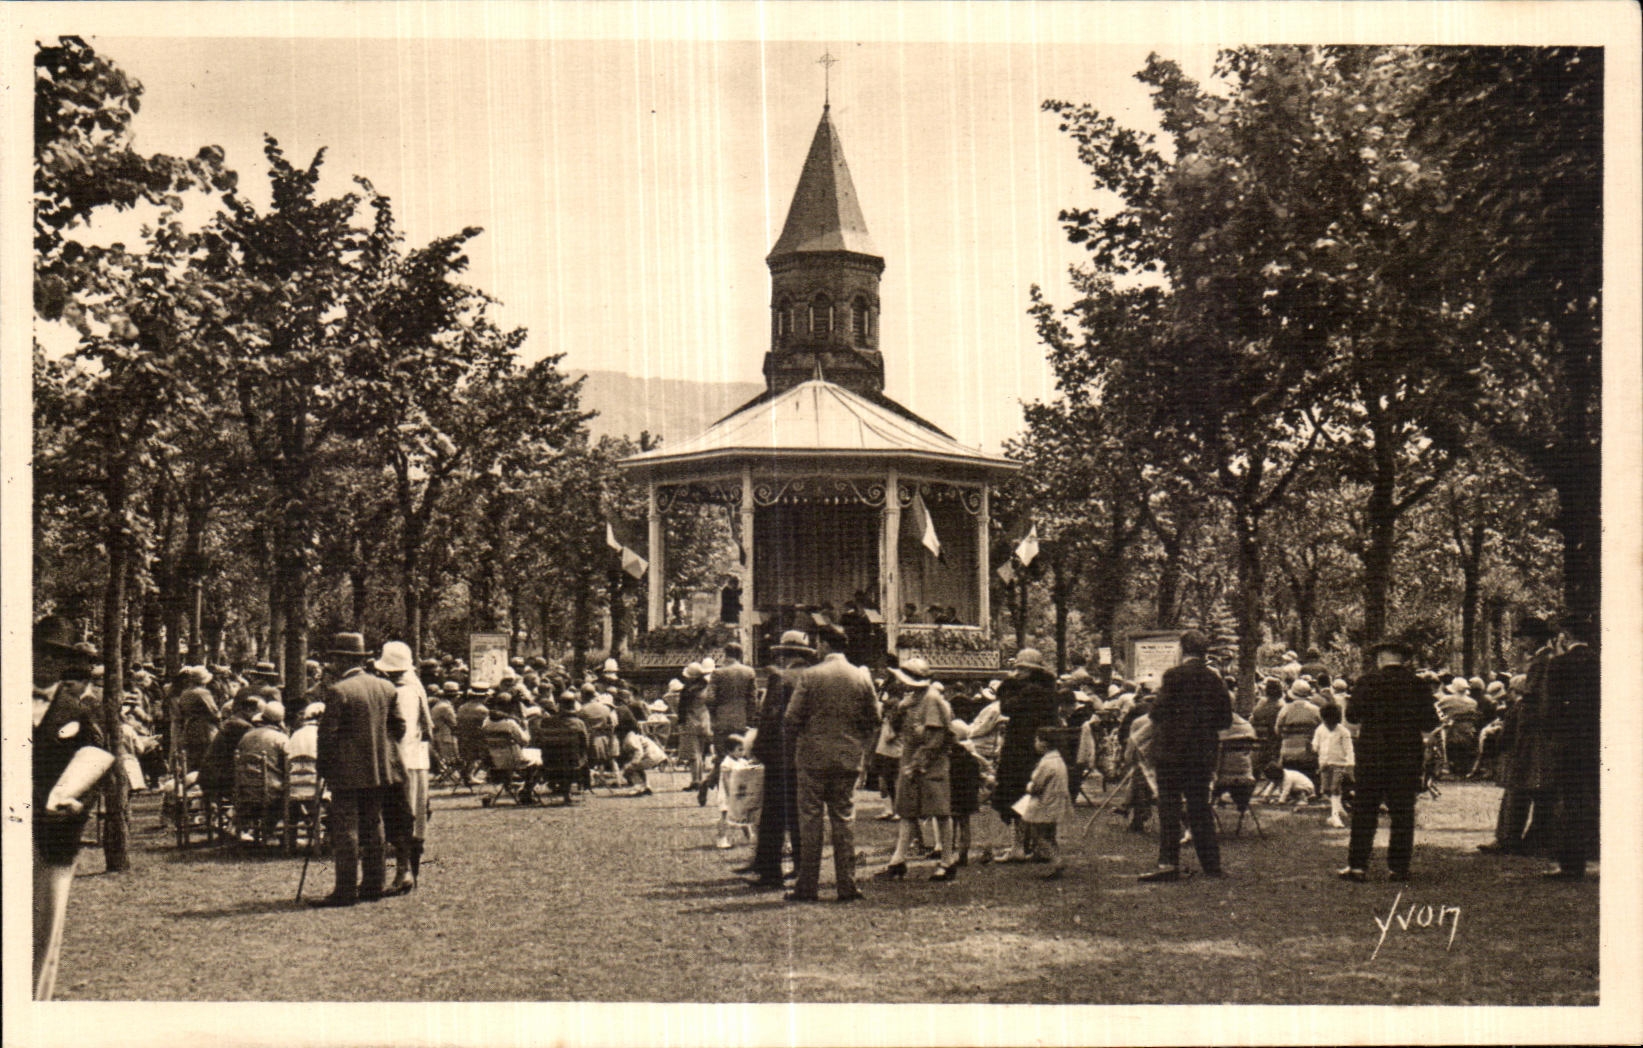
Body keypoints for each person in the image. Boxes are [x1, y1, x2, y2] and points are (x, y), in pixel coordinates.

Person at [32, 616, 115, 1000]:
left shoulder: (77, 713)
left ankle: (36, 1006)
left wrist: (75, 802)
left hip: (52, 835)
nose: (45, 662)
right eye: (40, 652)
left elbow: (97, 766)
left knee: (44, 930)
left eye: (56, 656)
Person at [783, 624, 878, 903]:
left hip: (812, 757)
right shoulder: (861, 676)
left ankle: (807, 886)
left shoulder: (811, 675)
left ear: (824, 644)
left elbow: (791, 717)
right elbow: (873, 718)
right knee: (844, 820)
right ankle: (847, 885)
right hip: (848, 757)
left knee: (810, 821)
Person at [311, 633, 406, 908]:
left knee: (347, 829)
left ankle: (345, 890)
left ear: (343, 660)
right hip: (380, 771)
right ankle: (373, 885)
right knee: (374, 825)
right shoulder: (386, 687)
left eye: (334, 659)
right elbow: (399, 728)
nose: (331, 665)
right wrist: (379, 750)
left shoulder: (339, 691)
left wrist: (325, 768)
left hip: (347, 773)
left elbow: (326, 737)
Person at [1338, 639, 1440, 883]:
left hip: (1372, 753)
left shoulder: (1367, 682)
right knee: (1403, 812)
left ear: (1381, 658)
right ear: (1404, 659)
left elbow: (1351, 717)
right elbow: (1430, 723)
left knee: (1365, 810)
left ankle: (1357, 865)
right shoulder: (1418, 685)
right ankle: (1398, 867)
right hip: (1406, 755)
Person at [1139, 630, 1231, 882]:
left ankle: (1168, 863)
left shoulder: (1173, 676)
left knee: (1169, 807)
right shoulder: (1214, 680)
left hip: (1171, 754)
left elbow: (1156, 712)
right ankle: (1211, 865)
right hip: (1201, 754)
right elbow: (1225, 720)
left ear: (1182, 649)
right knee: (1200, 807)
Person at [876, 663, 960, 883]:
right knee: (906, 810)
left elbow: (937, 737)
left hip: (930, 762)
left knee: (940, 811)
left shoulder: (931, 699)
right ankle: (897, 861)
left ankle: (947, 861)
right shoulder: (912, 698)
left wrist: (919, 760)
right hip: (910, 758)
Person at [742, 630, 813, 890]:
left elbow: (770, 720)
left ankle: (769, 871)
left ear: (783, 654)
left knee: (773, 815)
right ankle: (802, 866)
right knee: (800, 814)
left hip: (779, 756)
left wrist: (759, 749)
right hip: (805, 755)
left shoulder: (780, 679)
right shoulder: (811, 677)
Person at [988, 648, 1060, 863]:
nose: (1018, 672)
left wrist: (1009, 685)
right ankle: (1039, 846)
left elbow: (1007, 708)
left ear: (1033, 671)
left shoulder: (1027, 692)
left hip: (1022, 749)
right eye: (1017, 668)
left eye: (1023, 668)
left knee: (1017, 795)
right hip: (1041, 747)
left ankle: (1019, 846)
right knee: (1038, 797)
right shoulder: (1049, 690)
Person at [1542, 615, 1600, 880]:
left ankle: (1572, 863)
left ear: (1566, 636)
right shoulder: (1600, 662)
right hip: (1598, 738)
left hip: (1569, 740)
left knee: (1571, 799)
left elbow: (1550, 708)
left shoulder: (1559, 664)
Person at [375, 641, 432, 896]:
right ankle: (410, 872)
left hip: (402, 761)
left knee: (402, 817)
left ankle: (404, 871)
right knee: (415, 817)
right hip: (417, 760)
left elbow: (401, 731)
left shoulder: (401, 692)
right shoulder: (416, 686)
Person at [700, 642, 756, 805]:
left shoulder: (718, 673)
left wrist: (714, 714)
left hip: (722, 721)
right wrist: (750, 718)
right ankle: (733, 793)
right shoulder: (748, 672)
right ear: (740, 654)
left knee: (722, 757)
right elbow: (753, 700)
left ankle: (712, 786)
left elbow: (709, 698)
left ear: (726, 654)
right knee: (740, 756)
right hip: (741, 720)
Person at [1018, 727, 1073, 879]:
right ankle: (1057, 858)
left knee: (1039, 835)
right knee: (1050, 835)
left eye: (1037, 740)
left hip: (1044, 803)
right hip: (1056, 802)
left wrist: (1028, 786)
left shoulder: (1046, 764)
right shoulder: (1059, 761)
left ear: (1044, 743)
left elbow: (1036, 786)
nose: (1035, 743)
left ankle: (1056, 861)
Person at [235, 700, 289, 839]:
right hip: (270, 791)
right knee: (290, 794)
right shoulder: (280, 738)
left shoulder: (246, 736)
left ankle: (258, 832)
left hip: (245, 788)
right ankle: (279, 833)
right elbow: (288, 766)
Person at [1312, 702, 1355, 828]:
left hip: (1339, 763)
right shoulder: (1320, 729)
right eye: (1327, 722)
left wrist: (1350, 764)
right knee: (1326, 789)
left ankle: (1334, 816)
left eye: (1333, 723)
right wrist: (1314, 748)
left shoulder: (1343, 732)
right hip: (1324, 763)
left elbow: (1349, 749)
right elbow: (1316, 743)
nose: (1330, 726)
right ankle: (1339, 807)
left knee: (1335, 787)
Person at [676, 662, 712, 792]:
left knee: (693, 753)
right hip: (704, 719)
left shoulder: (688, 690)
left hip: (691, 721)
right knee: (701, 752)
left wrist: (681, 723)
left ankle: (695, 780)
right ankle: (700, 779)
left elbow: (682, 708)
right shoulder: (706, 687)